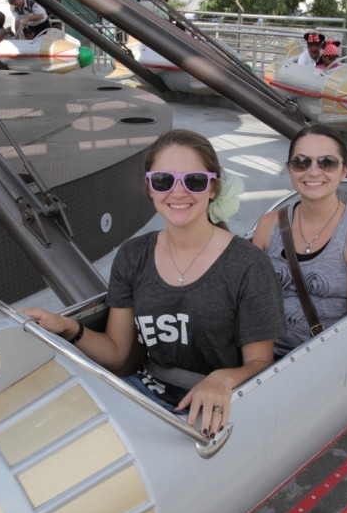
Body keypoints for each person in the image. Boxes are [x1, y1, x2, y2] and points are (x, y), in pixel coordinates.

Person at [22, 129, 284, 437]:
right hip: (145, 394)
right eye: (164, 180)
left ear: (213, 188)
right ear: (150, 188)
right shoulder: (133, 256)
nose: (178, 191)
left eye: (194, 180)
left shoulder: (248, 264)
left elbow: (260, 363)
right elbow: (119, 353)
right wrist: (67, 326)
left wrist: (223, 379)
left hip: (211, 407)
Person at [252, 125, 347, 356]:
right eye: (301, 163)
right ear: (290, 169)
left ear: (344, 171)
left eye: (327, 163)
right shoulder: (268, 225)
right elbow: (251, 302)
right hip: (260, 355)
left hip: (321, 360)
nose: (313, 172)